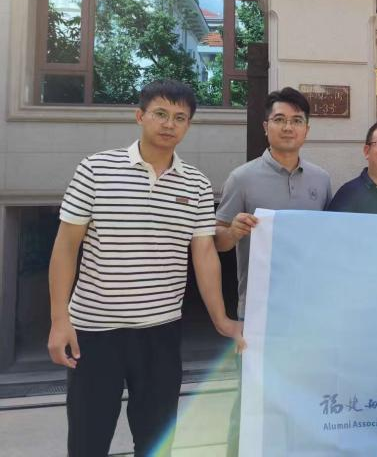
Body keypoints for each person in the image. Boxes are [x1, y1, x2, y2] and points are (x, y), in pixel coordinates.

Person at [47, 79, 244, 457]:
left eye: (180, 118)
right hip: (95, 331)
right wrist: (59, 320)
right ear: (140, 116)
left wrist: (222, 320)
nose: (170, 124)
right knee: (88, 440)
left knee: (156, 442)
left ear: (188, 125)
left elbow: (204, 254)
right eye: (161, 114)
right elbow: (66, 247)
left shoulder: (197, 184)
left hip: (161, 333)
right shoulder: (95, 169)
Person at [215, 87, 332, 456]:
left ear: (307, 129)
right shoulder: (242, 178)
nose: (288, 127)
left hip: (308, 314)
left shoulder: (320, 180)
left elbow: (328, 241)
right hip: (258, 312)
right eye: (279, 120)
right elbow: (218, 241)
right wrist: (233, 230)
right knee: (252, 400)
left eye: (296, 121)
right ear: (266, 126)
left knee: (305, 397)